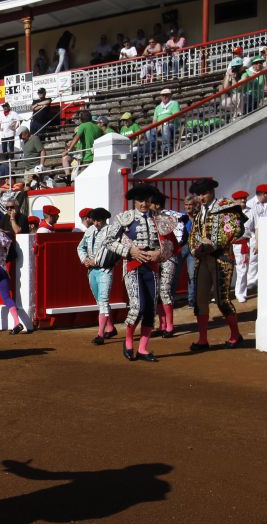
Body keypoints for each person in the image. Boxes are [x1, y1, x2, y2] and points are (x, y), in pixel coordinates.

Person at [103, 184, 174, 362]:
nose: (144, 203)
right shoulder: (125, 218)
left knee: (150, 309)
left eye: (147, 200)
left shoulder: (160, 219)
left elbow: (172, 245)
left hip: (152, 267)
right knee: (138, 307)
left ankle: (143, 349)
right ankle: (128, 343)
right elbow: (108, 240)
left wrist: (160, 253)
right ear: (135, 201)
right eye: (141, 200)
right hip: (133, 266)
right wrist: (130, 251)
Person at [188, 177, 247, 349]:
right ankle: (203, 339)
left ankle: (236, 335)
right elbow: (193, 235)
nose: (201, 197)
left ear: (212, 192)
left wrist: (213, 244)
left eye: (204, 193)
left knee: (222, 300)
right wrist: (195, 250)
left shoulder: (226, 207)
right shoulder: (199, 213)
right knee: (200, 299)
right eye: (198, 195)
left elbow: (236, 228)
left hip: (221, 258)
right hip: (203, 259)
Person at [76, 207, 117, 343]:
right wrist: (85, 260)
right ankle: (110, 328)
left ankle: (100, 334)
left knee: (103, 300)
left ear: (105, 219)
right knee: (100, 301)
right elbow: (80, 247)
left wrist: (96, 261)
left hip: (105, 269)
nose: (96, 223)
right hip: (92, 271)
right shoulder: (90, 230)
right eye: (94, 220)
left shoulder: (111, 231)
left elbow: (111, 251)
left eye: (98, 220)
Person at [149, 191, 182, 338]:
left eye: (158, 204)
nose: (155, 206)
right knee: (157, 292)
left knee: (164, 290)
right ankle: (162, 325)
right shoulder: (148, 220)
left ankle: (169, 326)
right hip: (154, 259)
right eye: (153, 203)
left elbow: (166, 242)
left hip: (168, 257)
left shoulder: (165, 219)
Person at [243, 183, 267, 298]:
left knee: (266, 259)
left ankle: (261, 283)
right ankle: (251, 285)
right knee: (253, 260)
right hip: (253, 235)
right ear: (263, 194)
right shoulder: (249, 204)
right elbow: (249, 225)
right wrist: (255, 239)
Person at [61, 110, 103, 180]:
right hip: (97, 157)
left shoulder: (83, 126)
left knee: (81, 180)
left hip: (87, 157)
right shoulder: (98, 128)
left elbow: (76, 138)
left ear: (81, 119)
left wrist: (68, 150)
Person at [146, 89, 180, 156]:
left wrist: (162, 125)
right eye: (163, 95)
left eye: (166, 95)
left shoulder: (174, 103)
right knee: (148, 132)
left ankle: (166, 147)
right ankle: (153, 148)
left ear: (170, 96)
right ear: (161, 97)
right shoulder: (158, 107)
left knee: (165, 127)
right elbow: (154, 121)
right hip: (160, 126)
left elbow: (174, 117)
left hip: (172, 125)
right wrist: (156, 127)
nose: (164, 97)